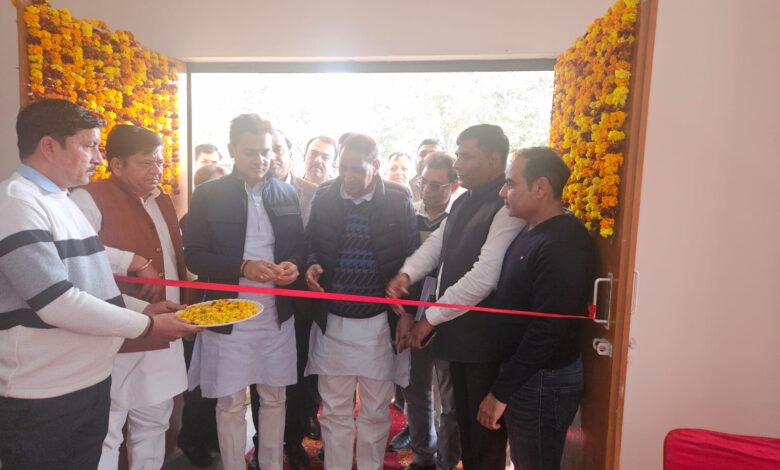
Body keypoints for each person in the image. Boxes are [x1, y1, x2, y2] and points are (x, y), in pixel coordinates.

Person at [0, 98, 198, 470]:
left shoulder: (60, 200)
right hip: (42, 391)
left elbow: (92, 284)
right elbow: (56, 301)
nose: (98, 157)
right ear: (49, 146)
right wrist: (148, 324)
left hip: (85, 380)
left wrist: (144, 309)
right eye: (89, 145)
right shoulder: (17, 203)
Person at [387, 124, 526, 470]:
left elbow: (484, 277)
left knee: (484, 437)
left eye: (466, 156)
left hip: (484, 342)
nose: (458, 164)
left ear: (494, 159)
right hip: (458, 336)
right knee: (466, 427)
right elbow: (438, 245)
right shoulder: (465, 199)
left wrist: (430, 319)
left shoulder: (505, 205)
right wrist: (407, 273)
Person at [184, 114, 305, 470]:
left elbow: (300, 246)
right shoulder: (209, 194)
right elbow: (194, 256)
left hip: (276, 314)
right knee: (230, 403)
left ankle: (271, 465)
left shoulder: (286, 192)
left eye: (267, 151)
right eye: (251, 152)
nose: (261, 159)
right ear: (232, 150)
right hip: (228, 316)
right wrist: (241, 266)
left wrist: (294, 265)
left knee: (275, 398)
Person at [70, 124, 190, 470]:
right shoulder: (88, 198)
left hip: (163, 331)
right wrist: (133, 261)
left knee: (154, 423)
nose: (156, 171)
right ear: (117, 165)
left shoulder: (161, 200)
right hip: (116, 333)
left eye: (159, 162)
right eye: (145, 163)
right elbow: (75, 252)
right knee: (108, 431)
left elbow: (173, 258)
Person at [304, 133, 418, 470]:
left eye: (357, 169)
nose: (348, 176)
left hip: (379, 323)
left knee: (375, 411)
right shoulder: (325, 195)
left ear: (377, 165)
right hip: (332, 321)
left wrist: (407, 314)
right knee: (334, 410)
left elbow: (412, 259)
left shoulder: (397, 198)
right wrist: (311, 264)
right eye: (343, 168)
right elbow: (310, 242)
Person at [477, 147, 594, 470]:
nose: (503, 193)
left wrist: (501, 392)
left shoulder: (561, 243)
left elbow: (548, 329)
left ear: (540, 188)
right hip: (528, 375)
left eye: (511, 184)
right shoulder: (534, 229)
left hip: (542, 380)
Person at [248, 127, 319, 470]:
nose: (270, 156)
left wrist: (299, 264)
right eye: (265, 149)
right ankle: (263, 446)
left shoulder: (311, 193)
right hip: (257, 303)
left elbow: (314, 244)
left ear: (289, 154)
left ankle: (294, 441)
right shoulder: (247, 191)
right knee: (260, 380)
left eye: (277, 149)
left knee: (299, 380)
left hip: (300, 303)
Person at [391, 152, 462, 470]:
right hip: (412, 313)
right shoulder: (409, 215)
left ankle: (448, 461)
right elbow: (402, 264)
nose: (428, 191)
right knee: (415, 390)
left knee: (450, 399)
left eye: (437, 185)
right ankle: (424, 457)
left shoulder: (459, 218)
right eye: (424, 183)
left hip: (448, 316)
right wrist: (407, 312)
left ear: (454, 185)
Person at [177, 163, 226, 468]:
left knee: (218, 379)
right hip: (195, 310)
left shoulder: (226, 225)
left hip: (222, 311)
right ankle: (191, 438)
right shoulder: (189, 223)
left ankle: (211, 435)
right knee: (196, 381)